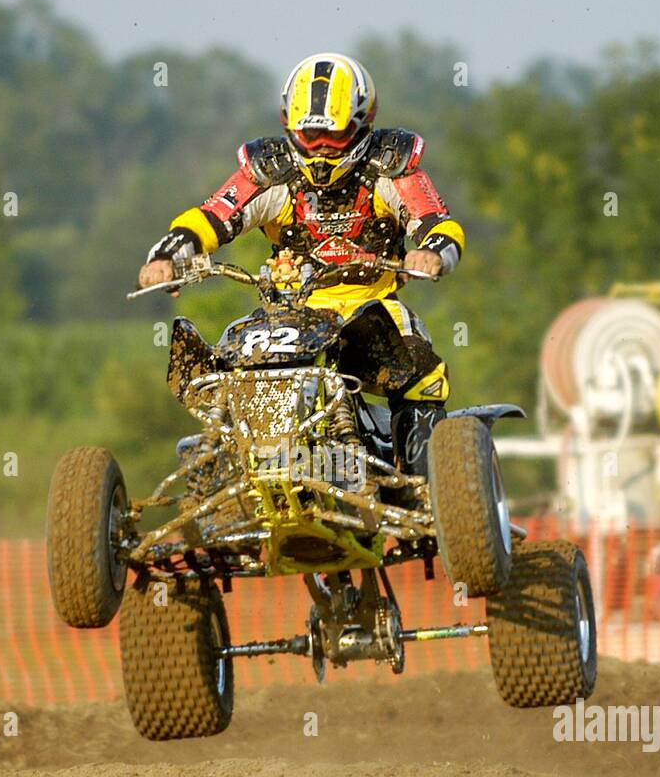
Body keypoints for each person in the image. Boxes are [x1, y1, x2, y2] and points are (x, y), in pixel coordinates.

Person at [137, 52, 465, 476]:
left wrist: (433, 252)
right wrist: (167, 254)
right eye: (311, 136)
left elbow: (438, 223)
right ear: (290, 125)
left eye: (334, 135)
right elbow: (212, 216)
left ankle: (425, 495)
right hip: (289, 315)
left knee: (421, 373)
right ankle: (222, 478)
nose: (323, 148)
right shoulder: (271, 171)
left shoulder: (390, 166)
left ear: (363, 123)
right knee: (221, 370)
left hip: (373, 309)